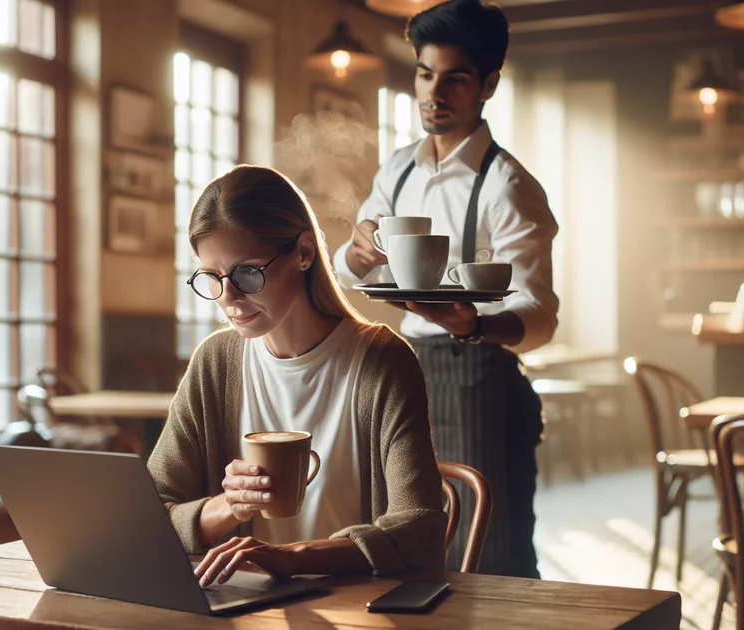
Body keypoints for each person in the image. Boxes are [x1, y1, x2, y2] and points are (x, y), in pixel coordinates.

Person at [333, 0, 557, 578]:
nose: (434, 92)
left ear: (487, 85)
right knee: (406, 537)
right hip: (401, 371)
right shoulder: (398, 169)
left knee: (491, 553)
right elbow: (352, 266)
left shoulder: (509, 187)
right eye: (424, 73)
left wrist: (476, 324)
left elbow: (538, 314)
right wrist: (356, 251)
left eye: (453, 79)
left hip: (479, 378)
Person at [149, 165, 447, 587]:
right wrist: (229, 507)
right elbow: (148, 514)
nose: (228, 298)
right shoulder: (215, 362)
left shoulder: (383, 361)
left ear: (304, 252)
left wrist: (294, 557)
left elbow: (420, 532)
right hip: (242, 611)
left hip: (355, 607)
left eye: (247, 273)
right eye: (212, 278)